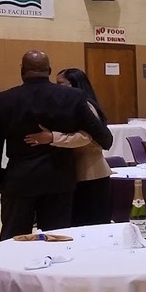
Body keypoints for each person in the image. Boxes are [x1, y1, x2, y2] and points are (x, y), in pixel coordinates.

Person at [0, 51, 113, 240]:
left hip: (19, 180)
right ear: (49, 71)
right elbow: (104, 137)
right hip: (59, 180)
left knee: (14, 240)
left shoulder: (1, 100)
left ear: (22, 70)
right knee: (58, 240)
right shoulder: (72, 97)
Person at [22, 68, 113, 226]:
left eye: (61, 84)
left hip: (91, 173)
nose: (57, 88)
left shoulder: (85, 105)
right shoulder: (71, 104)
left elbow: (85, 136)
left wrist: (52, 137)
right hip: (78, 173)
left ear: (75, 84)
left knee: (92, 224)